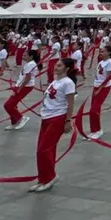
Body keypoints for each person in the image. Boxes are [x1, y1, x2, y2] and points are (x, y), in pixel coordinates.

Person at [29, 58, 78, 193]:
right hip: (46, 117)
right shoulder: (55, 81)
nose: (56, 67)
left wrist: (68, 121)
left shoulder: (68, 83)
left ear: (67, 69)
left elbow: (70, 104)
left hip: (57, 118)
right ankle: (42, 178)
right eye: (56, 65)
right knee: (41, 150)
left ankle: (49, 178)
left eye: (59, 66)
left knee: (44, 149)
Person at [4, 49, 40, 131]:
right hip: (20, 85)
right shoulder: (28, 64)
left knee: (8, 105)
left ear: (31, 56)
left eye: (25, 55)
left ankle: (21, 118)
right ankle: (14, 122)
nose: (23, 56)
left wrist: (19, 89)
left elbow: (27, 78)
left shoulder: (31, 64)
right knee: (13, 104)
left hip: (25, 86)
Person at [87, 45, 111, 140]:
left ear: (109, 53)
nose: (100, 53)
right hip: (96, 85)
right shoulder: (101, 62)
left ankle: (98, 130)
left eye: (103, 51)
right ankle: (93, 130)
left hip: (103, 87)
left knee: (94, 110)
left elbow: (108, 78)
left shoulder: (110, 62)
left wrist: (100, 89)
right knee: (93, 109)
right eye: (100, 51)